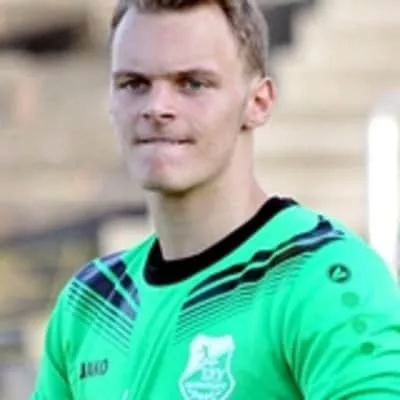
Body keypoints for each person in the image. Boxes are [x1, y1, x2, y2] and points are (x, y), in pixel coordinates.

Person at [31, 0, 400, 399]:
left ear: (258, 102)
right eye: (134, 83)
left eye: (192, 83)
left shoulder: (322, 277)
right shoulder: (90, 302)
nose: (157, 108)